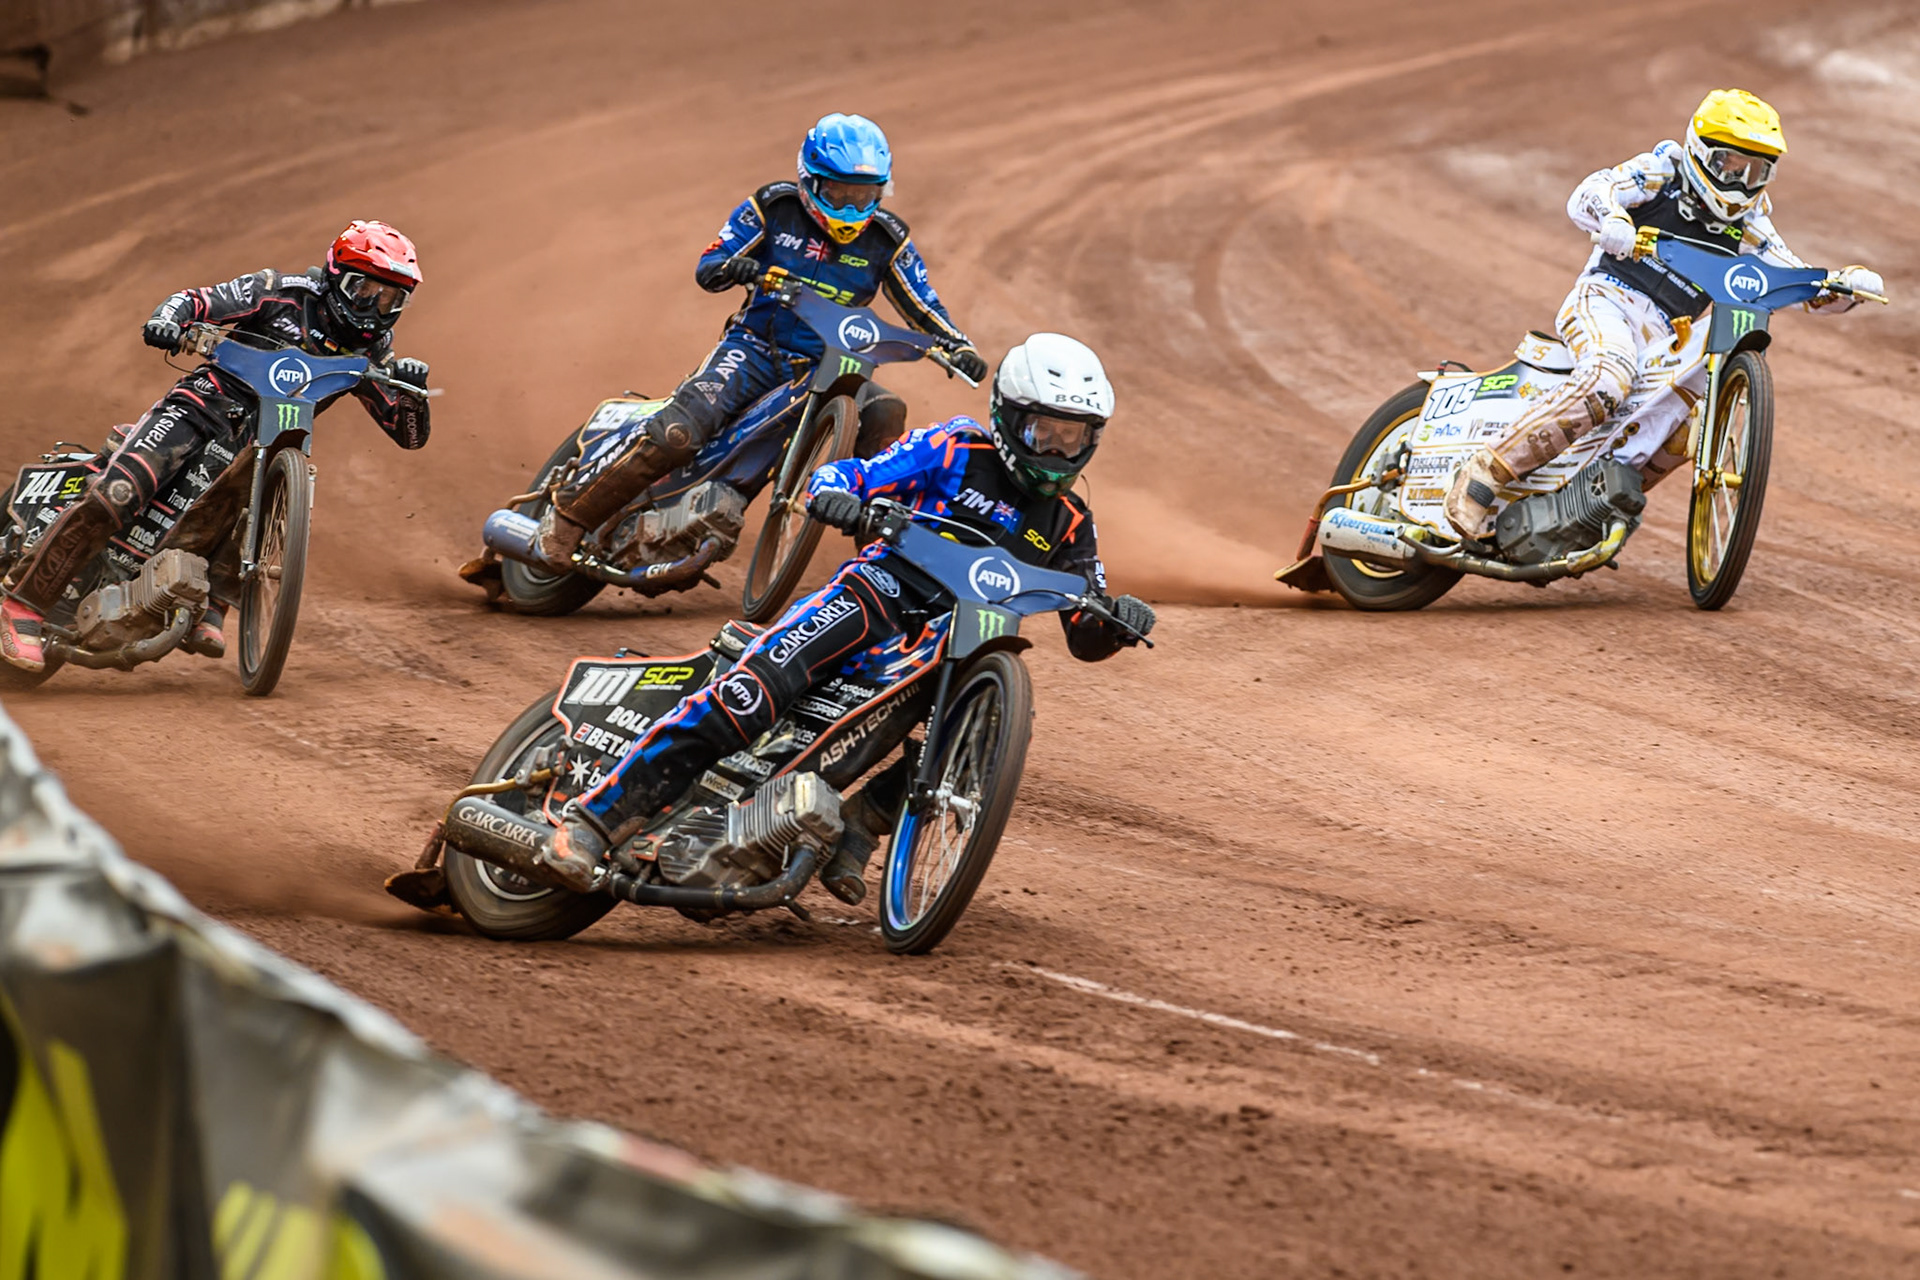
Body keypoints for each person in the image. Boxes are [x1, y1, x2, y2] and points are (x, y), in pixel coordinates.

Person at [535, 333, 1154, 904]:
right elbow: (851, 472)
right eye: (1045, 432)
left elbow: (1085, 628)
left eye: (1073, 437)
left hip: (946, 643)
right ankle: (596, 819)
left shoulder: (1072, 523)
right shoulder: (957, 447)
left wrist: (1117, 619)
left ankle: (862, 823)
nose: (1056, 450)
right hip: (876, 592)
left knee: (987, 727)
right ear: (1009, 419)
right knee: (753, 693)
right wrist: (840, 496)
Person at [534, 111, 990, 564]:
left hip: (828, 366)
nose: (852, 208)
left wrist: (958, 345)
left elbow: (923, 303)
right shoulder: (774, 209)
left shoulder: (888, 239)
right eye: (840, 192)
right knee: (679, 432)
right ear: (810, 181)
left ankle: (881, 562)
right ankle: (569, 516)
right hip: (753, 350)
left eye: (864, 195)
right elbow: (710, 265)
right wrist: (735, 266)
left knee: (887, 411)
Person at [1443, 89, 1886, 537]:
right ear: (1700, 151)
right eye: (1729, 165)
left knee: (1690, 427)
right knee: (1608, 376)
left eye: (1755, 172)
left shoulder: (1751, 221)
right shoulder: (1663, 171)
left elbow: (1791, 276)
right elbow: (1593, 191)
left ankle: (1587, 506)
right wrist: (1613, 219)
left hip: (1663, 337)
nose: (1738, 183)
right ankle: (1485, 472)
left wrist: (1840, 284)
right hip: (1605, 301)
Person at [0, 220, 432, 671]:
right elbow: (196, 300)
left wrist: (412, 393)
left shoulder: (376, 350)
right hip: (197, 409)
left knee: (280, 482)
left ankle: (213, 603)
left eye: (391, 299)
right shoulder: (279, 291)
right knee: (120, 493)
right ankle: (23, 606)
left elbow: (409, 434)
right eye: (367, 291)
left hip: (257, 444)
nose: (376, 309)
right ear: (336, 278)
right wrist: (168, 320)